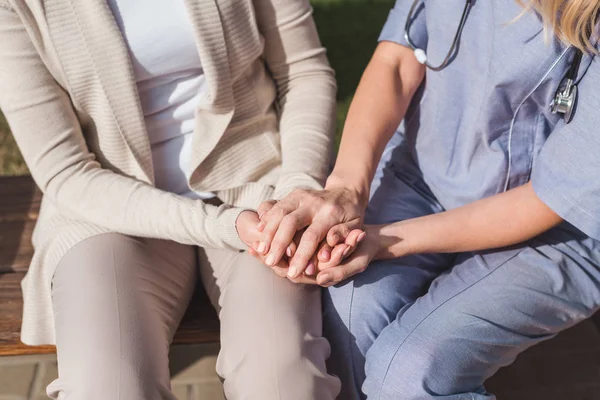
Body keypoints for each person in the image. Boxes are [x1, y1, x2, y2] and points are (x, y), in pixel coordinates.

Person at [254, 0, 600, 398]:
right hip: (422, 176)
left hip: (556, 229)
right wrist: (345, 189)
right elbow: (397, 61)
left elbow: (548, 198)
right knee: (347, 319)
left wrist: (383, 240)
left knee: (409, 371)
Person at [0, 0, 344, 398]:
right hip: (109, 212)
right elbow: (67, 172)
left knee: (284, 381)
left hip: (260, 195)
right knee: (106, 388)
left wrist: (294, 195)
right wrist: (221, 226)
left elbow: (304, 71)